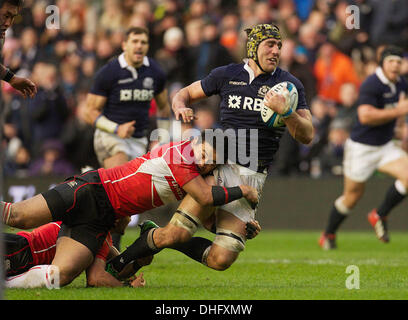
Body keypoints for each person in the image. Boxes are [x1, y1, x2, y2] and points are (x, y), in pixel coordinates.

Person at [106, 24, 314, 275]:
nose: (276, 51)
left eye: (279, 46)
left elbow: (307, 134)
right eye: (270, 44)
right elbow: (184, 93)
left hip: (253, 173)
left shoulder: (289, 85)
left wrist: (288, 113)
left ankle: (152, 235)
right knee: (176, 233)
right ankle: (120, 262)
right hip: (219, 163)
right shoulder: (227, 74)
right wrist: (180, 106)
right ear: (253, 47)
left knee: (220, 260)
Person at [1, 131, 259, 288]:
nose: (203, 163)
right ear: (195, 142)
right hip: (92, 190)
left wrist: (240, 226)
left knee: (61, 275)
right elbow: (204, 196)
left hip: (102, 218)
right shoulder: (179, 154)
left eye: (210, 163)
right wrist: (244, 191)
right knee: (18, 216)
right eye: (203, 153)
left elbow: (206, 220)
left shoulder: (194, 176)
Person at [85, 26, 172, 248]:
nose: (139, 46)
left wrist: (161, 140)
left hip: (139, 141)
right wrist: (116, 129)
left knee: (125, 206)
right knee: (119, 194)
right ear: (124, 45)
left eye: (143, 42)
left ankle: (107, 249)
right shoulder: (110, 72)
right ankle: (108, 257)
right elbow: (89, 112)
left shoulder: (155, 72)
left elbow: (164, 109)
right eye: (134, 41)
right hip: (110, 137)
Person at [319, 46, 408, 250]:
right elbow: (365, 116)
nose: (395, 65)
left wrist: (400, 127)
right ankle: (328, 234)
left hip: (385, 146)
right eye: (391, 61)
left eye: (398, 61)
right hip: (362, 149)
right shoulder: (372, 84)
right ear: (382, 64)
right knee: (352, 197)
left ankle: (380, 214)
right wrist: (397, 112)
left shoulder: (401, 83)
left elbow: (401, 110)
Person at [0, 0, 37, 98]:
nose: (8, 23)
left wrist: (12, 79)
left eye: (12, 17)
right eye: (6, 16)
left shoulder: (1, 35)